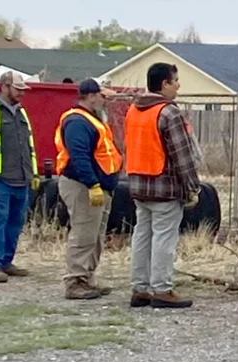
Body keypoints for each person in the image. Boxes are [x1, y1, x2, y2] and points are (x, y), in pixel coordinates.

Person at [124, 63, 202, 309]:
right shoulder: (169, 113)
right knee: (164, 240)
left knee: (142, 236)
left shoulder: (133, 110)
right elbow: (182, 155)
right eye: (175, 80)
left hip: (137, 184)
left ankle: (140, 288)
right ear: (164, 84)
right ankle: (162, 288)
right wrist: (193, 187)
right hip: (164, 187)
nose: (178, 85)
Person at [56, 79, 122, 299]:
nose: (105, 100)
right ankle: (74, 281)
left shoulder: (91, 119)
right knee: (83, 233)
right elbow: (79, 156)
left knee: (94, 235)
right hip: (82, 185)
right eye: (102, 96)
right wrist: (92, 184)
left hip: (97, 185)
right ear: (91, 95)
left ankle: (87, 278)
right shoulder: (77, 121)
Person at [0, 72, 39, 284]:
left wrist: (34, 173)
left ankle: (5, 262)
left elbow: (28, 146)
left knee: (15, 223)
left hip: (21, 178)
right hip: (0, 179)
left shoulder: (21, 113)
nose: (22, 93)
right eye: (18, 88)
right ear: (4, 86)